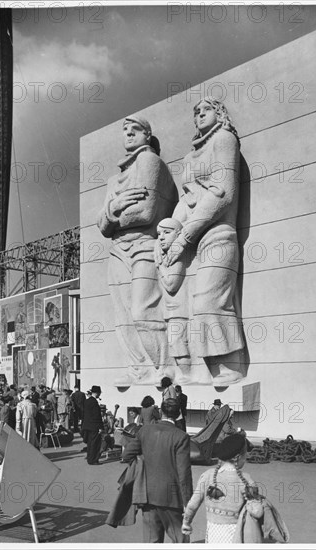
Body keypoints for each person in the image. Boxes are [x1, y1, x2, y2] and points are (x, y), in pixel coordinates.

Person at [167, 97, 245, 384]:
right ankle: (208, 368)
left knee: (210, 300)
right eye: (195, 112)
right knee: (192, 309)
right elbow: (186, 200)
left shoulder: (224, 139)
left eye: (206, 109)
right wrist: (171, 232)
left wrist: (184, 235)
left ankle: (230, 365)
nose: (199, 114)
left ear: (219, 112)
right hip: (194, 242)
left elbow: (223, 193)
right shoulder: (190, 158)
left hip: (219, 233)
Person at [97, 115, 178, 385]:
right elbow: (101, 225)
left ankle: (164, 367)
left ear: (147, 135)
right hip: (118, 250)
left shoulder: (149, 162)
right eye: (125, 130)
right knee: (122, 317)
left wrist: (113, 215)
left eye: (136, 130)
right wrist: (116, 205)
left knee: (143, 309)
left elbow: (145, 213)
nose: (129, 134)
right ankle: (138, 368)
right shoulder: (114, 182)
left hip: (144, 243)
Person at [123, 398, 193, 543]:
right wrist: (188, 501)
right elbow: (183, 473)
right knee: (180, 539)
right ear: (179, 413)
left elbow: (126, 455)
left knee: (151, 540)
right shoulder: (181, 437)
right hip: (171, 497)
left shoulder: (145, 430)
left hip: (147, 494)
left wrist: (142, 463)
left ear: (161, 412)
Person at [182, 433, 260, 543]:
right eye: (245, 454)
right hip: (236, 535)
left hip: (213, 533)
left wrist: (186, 523)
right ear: (238, 457)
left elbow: (192, 505)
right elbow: (258, 512)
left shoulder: (207, 476)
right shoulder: (246, 480)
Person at [155, 218, 191, 383]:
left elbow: (171, 284)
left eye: (166, 232)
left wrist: (159, 265)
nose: (161, 237)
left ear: (178, 234)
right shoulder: (168, 257)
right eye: (159, 234)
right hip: (171, 310)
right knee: (174, 343)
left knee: (177, 343)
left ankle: (187, 375)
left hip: (179, 310)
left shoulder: (177, 258)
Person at [82, 385, 104, 465]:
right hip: (94, 426)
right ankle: (93, 460)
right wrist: (100, 427)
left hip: (87, 425)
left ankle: (90, 458)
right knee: (95, 444)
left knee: (90, 444)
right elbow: (96, 416)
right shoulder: (94, 402)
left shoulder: (87, 401)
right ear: (97, 393)